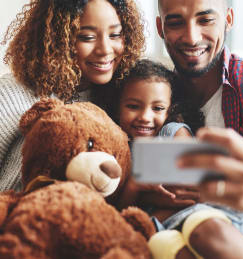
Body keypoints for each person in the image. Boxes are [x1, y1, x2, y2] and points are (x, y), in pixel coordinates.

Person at [155, 0, 243, 257]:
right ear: (160, 27)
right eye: (175, 22)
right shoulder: (155, 100)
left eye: (205, 20)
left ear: (228, 20)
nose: (192, 37)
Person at [117, 59, 243, 259]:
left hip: (208, 215)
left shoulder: (171, 132)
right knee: (161, 245)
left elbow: (192, 194)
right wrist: (134, 186)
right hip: (168, 229)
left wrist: (150, 211)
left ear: (170, 111)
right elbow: (121, 215)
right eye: (133, 106)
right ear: (117, 107)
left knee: (203, 230)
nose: (145, 116)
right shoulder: (122, 150)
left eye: (157, 109)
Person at [0, 0, 144, 192]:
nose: (105, 49)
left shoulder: (125, 97)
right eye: (87, 37)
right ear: (57, 37)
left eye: (115, 34)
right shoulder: (13, 92)